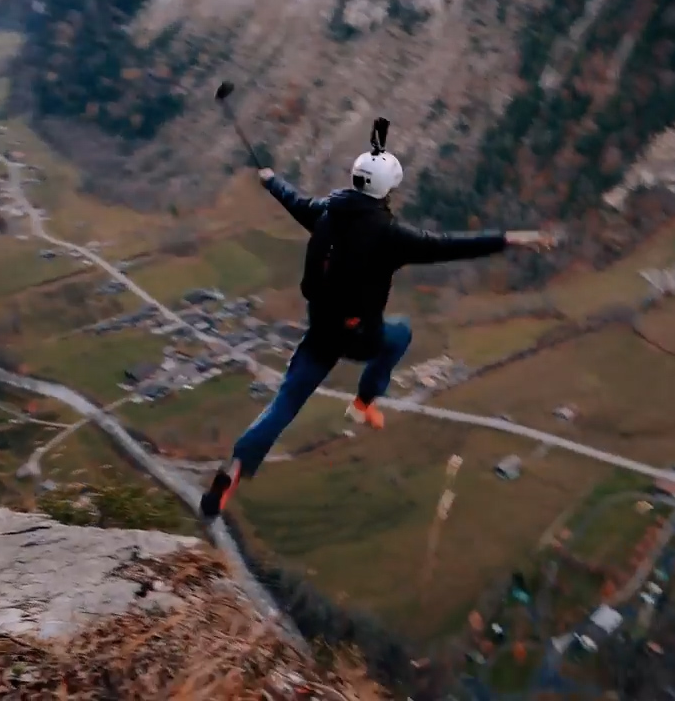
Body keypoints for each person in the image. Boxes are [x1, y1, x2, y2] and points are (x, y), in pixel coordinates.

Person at [199, 118, 554, 517]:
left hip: (321, 330)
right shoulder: (390, 236)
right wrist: (511, 239)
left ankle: (236, 466)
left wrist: (270, 181)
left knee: (286, 402)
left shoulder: (327, 213)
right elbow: (451, 247)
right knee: (399, 335)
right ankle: (365, 401)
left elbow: (294, 201)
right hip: (360, 334)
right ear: (386, 190)